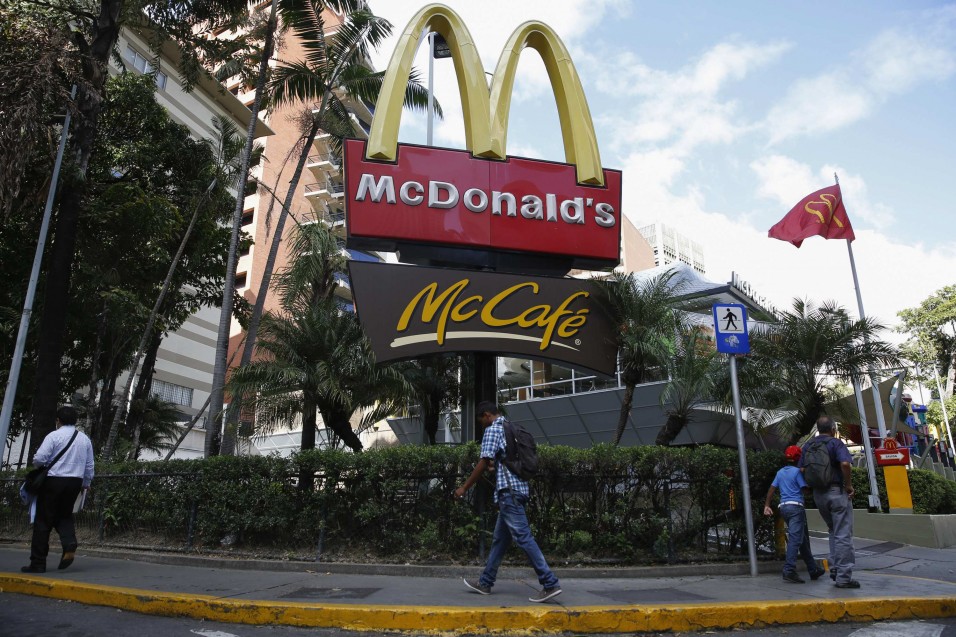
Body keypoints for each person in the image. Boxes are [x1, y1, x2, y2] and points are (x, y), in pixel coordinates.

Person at [454, 401, 561, 603]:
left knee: (523, 537)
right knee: (500, 540)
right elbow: (505, 461)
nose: (482, 425)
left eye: (481, 421)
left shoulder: (493, 430)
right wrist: (497, 467)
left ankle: (550, 583)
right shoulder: (510, 427)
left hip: (509, 494)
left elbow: (484, 461)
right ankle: (485, 582)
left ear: (486, 415)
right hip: (518, 491)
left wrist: (464, 487)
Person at [22, 405, 95, 573]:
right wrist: (86, 483)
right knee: (64, 515)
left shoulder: (54, 436)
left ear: (58, 420)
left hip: (53, 481)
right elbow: (89, 465)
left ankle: (38, 563)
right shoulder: (84, 439)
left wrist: (37, 465)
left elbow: (40, 458)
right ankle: (69, 542)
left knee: (43, 521)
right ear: (76, 421)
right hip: (75, 482)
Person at [800, 416, 858, 589]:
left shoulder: (809, 445)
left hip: (819, 495)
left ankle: (835, 568)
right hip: (836, 492)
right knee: (843, 533)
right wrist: (848, 485)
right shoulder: (835, 443)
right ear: (833, 428)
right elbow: (846, 464)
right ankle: (843, 577)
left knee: (833, 530)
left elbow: (802, 469)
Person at [763, 445, 826, 583]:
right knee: (795, 539)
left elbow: (771, 489)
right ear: (799, 458)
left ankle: (812, 569)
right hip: (796, 508)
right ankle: (789, 570)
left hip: (784, 508)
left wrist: (767, 505)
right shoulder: (797, 472)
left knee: (801, 540)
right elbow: (804, 490)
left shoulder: (780, 472)